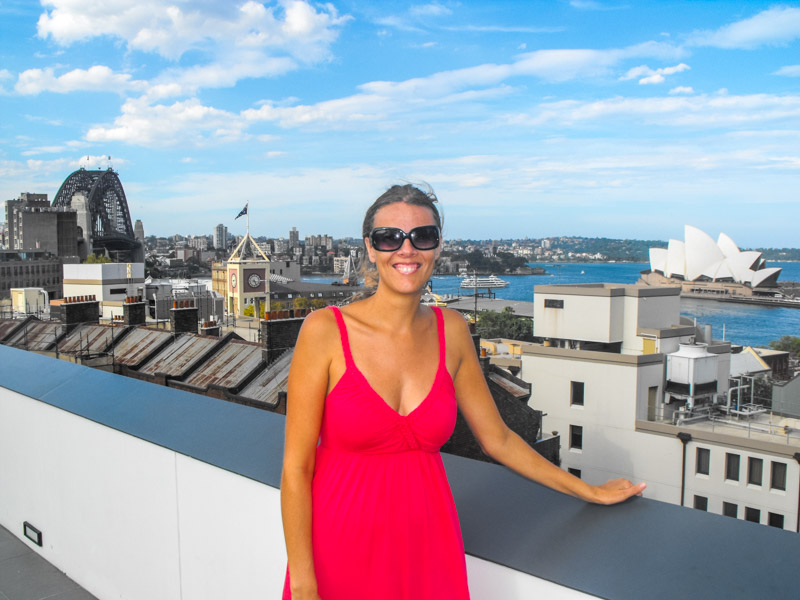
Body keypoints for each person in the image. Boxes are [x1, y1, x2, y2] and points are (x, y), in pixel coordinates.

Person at [281, 184, 645, 599]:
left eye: (422, 236)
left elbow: (500, 439)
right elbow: (296, 468)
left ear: (437, 247)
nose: (406, 249)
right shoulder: (325, 331)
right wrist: (304, 579)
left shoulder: (451, 330)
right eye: (389, 237)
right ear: (371, 247)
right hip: (338, 546)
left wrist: (588, 490)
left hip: (428, 547)